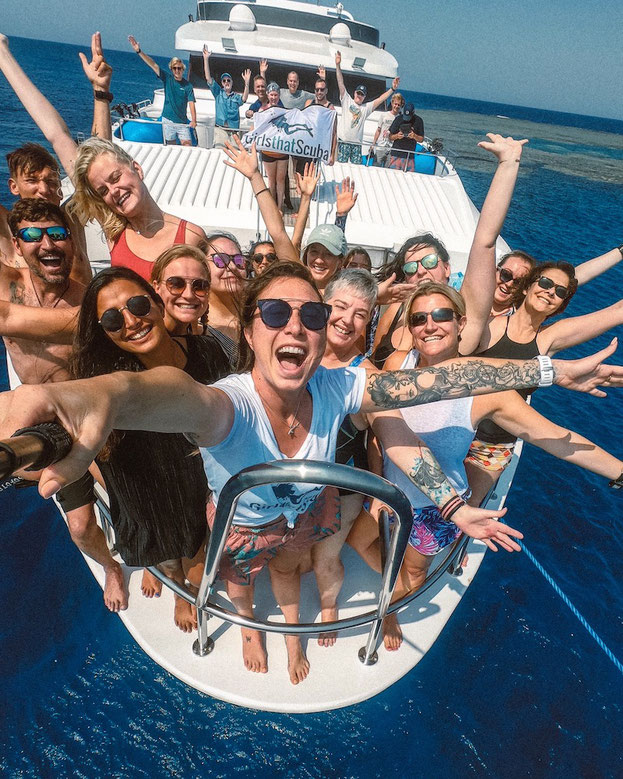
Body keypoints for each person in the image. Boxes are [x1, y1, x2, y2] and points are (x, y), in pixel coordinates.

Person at [2, 262, 621, 681]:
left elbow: (429, 382)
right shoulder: (226, 403)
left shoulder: (339, 385)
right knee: (241, 578)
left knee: (305, 562)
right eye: (274, 314)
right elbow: (162, 391)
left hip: (308, 509)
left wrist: (545, 372)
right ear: (249, 328)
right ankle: (248, 631)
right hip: (244, 524)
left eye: (311, 316)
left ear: (325, 334)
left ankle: (297, 621)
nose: (294, 326)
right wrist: (95, 398)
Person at [349, 281, 623, 650]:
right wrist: (379, 480)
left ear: (461, 323)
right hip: (392, 491)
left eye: (442, 315)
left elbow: (554, 438)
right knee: (357, 541)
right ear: (410, 329)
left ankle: (391, 608)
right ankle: (391, 590)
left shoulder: (488, 390)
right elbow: (381, 432)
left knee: (414, 573)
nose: (430, 324)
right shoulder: (400, 364)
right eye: (419, 318)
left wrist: (619, 472)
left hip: (438, 507)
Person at [71, 266, 230, 631]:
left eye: (138, 305)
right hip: (146, 478)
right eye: (112, 319)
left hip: (199, 470)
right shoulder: (107, 381)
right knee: (162, 541)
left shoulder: (206, 350)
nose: (131, 321)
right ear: (104, 333)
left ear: (158, 305)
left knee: (199, 547)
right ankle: (175, 587)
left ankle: (178, 573)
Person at [1, 198, 127, 612]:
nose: (47, 244)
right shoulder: (8, 288)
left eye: (56, 234)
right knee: (79, 528)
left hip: (90, 416)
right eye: (32, 236)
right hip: (46, 427)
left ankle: (157, 550)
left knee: (129, 498)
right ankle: (111, 567)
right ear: (16, 245)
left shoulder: (88, 296)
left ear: (71, 241)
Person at [465, 260, 623, 506]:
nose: (551, 291)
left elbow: (616, 312)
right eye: (546, 283)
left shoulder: (550, 337)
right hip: (459, 427)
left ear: (560, 306)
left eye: (560, 292)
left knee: (459, 515)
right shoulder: (487, 326)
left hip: (493, 447)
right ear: (527, 287)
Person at [372, 134, 529, 366]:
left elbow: (485, 241)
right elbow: (373, 364)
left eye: (429, 262)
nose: (421, 271)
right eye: (411, 266)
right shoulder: (395, 311)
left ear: (447, 268)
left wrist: (508, 164)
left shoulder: (462, 320)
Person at [0, 31, 114, 284]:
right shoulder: (7, 231)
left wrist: (100, 93)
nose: (43, 189)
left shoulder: (71, 219)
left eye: (51, 181)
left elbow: (96, 166)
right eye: (32, 180)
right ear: (13, 186)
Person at [68, 138, 206, 280]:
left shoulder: (191, 235)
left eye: (116, 178)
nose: (113, 191)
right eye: (103, 191)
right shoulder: (115, 235)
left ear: (137, 169)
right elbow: (59, 138)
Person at [128, 36, 196, 146]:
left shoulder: (188, 86)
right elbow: (153, 64)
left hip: (182, 122)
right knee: (170, 146)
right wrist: (139, 51)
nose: (177, 70)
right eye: (175, 68)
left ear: (183, 69)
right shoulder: (167, 79)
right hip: (167, 120)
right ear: (171, 69)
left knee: (187, 146)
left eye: (179, 68)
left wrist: (194, 120)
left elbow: (192, 103)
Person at [334, 50, 399, 164]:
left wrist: (392, 89)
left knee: (356, 169)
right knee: (340, 166)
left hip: (357, 145)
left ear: (364, 97)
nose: (359, 96)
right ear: (354, 93)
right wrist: (338, 65)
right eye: (358, 93)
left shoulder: (366, 108)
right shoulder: (346, 100)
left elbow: (380, 99)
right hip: (343, 142)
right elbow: (340, 82)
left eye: (362, 95)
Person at [203, 233, 248, 364]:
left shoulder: (258, 316)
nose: (232, 267)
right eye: (220, 260)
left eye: (239, 260)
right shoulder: (195, 327)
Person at [150, 244, 211, 335]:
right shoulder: (143, 341)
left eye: (199, 286)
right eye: (176, 284)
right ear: (157, 287)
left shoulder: (209, 342)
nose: (188, 295)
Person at [202, 46, 250, 149]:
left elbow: (244, 99)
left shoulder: (236, 97)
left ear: (232, 83)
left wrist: (247, 83)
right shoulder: (218, 93)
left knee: (236, 153)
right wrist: (206, 59)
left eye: (229, 80)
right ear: (222, 83)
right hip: (220, 129)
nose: (226, 82)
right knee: (219, 151)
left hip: (233, 131)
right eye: (224, 81)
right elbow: (208, 78)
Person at [387, 102, 425, 171]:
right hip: (396, 153)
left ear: (413, 113)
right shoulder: (398, 119)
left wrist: (414, 136)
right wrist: (397, 136)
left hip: (409, 156)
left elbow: (421, 139)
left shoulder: (418, 121)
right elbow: (390, 137)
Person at [372, 92, 405, 167]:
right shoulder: (384, 115)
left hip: (392, 149)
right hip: (381, 147)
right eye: (395, 104)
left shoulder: (401, 119)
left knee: (389, 170)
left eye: (399, 105)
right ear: (392, 103)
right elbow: (378, 130)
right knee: (376, 167)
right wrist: (373, 143)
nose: (396, 106)